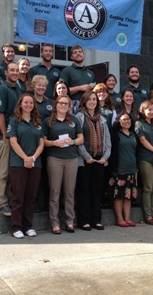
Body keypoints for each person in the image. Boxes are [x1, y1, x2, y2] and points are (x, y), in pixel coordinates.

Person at [42, 95, 84, 234]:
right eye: (61, 103)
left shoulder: (74, 120)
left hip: (72, 158)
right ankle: (55, 223)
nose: (64, 105)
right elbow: (44, 141)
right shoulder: (48, 121)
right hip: (55, 158)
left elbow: (81, 138)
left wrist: (71, 142)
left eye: (66, 104)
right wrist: (54, 143)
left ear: (70, 106)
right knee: (55, 191)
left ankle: (70, 222)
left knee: (70, 192)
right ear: (56, 104)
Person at [8, 93, 44, 239]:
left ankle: (28, 226)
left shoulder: (37, 122)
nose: (29, 105)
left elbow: (41, 143)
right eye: (26, 102)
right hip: (18, 163)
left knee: (31, 196)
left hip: (36, 164)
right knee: (18, 196)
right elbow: (13, 142)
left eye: (31, 103)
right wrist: (25, 158)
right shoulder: (14, 121)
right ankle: (16, 227)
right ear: (20, 104)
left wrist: (33, 158)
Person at [75, 91, 111, 231]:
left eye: (94, 99)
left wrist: (105, 157)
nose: (92, 102)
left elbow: (107, 140)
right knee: (84, 190)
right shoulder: (79, 117)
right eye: (89, 99)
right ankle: (84, 220)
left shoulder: (102, 119)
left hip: (100, 159)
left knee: (97, 190)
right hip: (85, 159)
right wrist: (86, 156)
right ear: (84, 101)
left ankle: (96, 219)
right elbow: (78, 140)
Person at [0, 61, 21, 216]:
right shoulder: (2, 89)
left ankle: (10, 201)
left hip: (16, 138)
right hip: (5, 137)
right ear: (6, 72)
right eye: (12, 70)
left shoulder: (18, 89)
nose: (15, 73)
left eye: (17, 70)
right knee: (3, 172)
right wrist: (5, 134)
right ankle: (1, 204)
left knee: (13, 172)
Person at [135, 101, 153, 225]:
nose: (151, 112)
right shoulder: (139, 123)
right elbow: (142, 140)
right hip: (146, 158)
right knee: (148, 188)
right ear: (143, 110)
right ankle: (148, 216)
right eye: (149, 109)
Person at [109, 112, 138, 227]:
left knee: (128, 196)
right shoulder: (115, 134)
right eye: (124, 119)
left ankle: (127, 218)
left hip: (132, 169)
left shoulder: (133, 134)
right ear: (119, 121)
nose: (127, 121)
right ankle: (120, 219)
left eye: (129, 119)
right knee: (119, 196)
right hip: (119, 169)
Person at [31, 75, 53, 212]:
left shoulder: (50, 103)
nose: (41, 87)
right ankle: (34, 204)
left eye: (43, 85)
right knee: (35, 174)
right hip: (33, 142)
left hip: (48, 142)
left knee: (46, 175)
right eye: (38, 85)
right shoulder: (28, 101)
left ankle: (45, 204)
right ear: (33, 86)